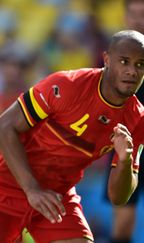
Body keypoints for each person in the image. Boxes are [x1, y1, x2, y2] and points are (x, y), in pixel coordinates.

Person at [0, 29, 144, 243]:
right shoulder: (66, 86)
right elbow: (3, 127)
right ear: (106, 60)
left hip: (55, 196)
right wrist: (32, 189)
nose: (132, 71)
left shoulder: (137, 119)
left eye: (140, 64)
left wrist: (125, 160)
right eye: (124, 61)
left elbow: (118, 197)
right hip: (2, 186)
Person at [104, 1, 144, 242]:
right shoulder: (115, 52)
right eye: (134, 14)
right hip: (127, 143)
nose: (139, 20)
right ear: (125, 17)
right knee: (122, 221)